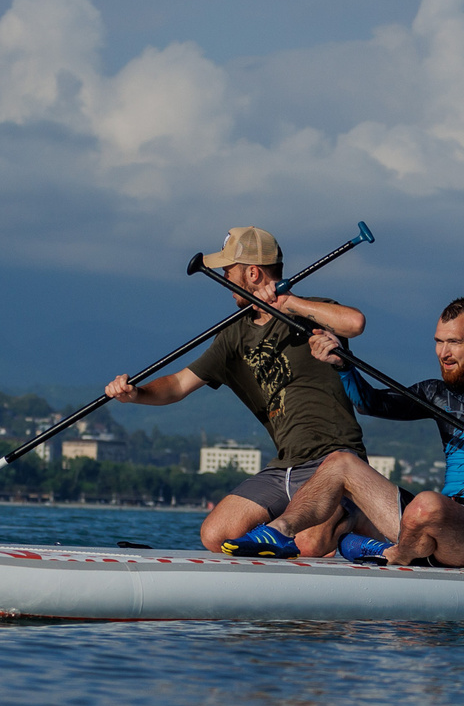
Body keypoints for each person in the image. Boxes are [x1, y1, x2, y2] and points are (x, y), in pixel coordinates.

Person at [102, 226, 369, 557]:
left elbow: (354, 323)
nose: (224, 280)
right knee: (215, 534)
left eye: (228, 270)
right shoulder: (232, 336)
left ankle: (350, 517)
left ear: (252, 272)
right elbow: (176, 384)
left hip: (334, 460)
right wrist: (136, 393)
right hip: (284, 466)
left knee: (309, 544)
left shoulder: (310, 310)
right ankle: (295, 540)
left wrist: (292, 304)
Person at [277, 297, 464, 571]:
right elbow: (370, 403)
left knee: (427, 504)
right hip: (431, 522)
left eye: (454, 342)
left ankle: (396, 554)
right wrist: (343, 365)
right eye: (439, 342)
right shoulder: (435, 393)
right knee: (340, 462)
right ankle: (277, 532)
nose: (444, 353)